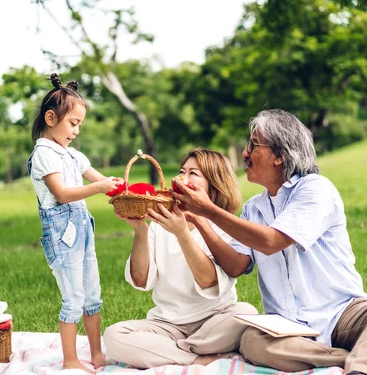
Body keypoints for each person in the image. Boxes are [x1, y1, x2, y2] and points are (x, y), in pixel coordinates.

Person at [171, 109, 367, 375]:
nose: (244, 153)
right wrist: (200, 220)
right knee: (252, 342)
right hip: (287, 329)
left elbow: (272, 241)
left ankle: (363, 365)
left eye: (253, 145)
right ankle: (357, 360)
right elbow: (235, 266)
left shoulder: (316, 189)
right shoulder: (254, 208)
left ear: (280, 156)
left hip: (341, 315)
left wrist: (208, 210)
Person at [103, 148, 258, 369]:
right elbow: (140, 279)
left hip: (214, 321)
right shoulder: (160, 224)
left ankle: (169, 351)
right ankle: (197, 358)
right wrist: (140, 230)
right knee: (114, 335)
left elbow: (208, 281)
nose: (181, 178)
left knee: (246, 313)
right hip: (166, 325)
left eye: (193, 173)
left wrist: (182, 233)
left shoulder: (223, 226)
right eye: (181, 171)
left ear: (213, 184)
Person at [27, 73, 124, 370]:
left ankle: (96, 353)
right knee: (73, 298)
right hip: (63, 235)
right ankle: (70, 360)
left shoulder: (71, 154)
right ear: (51, 117)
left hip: (83, 232)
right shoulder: (44, 153)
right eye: (73, 123)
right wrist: (100, 188)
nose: (77, 131)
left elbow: (101, 179)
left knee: (92, 295)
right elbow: (63, 194)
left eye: (79, 124)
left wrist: (121, 188)